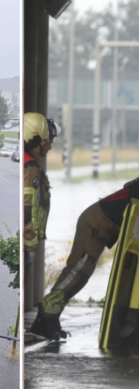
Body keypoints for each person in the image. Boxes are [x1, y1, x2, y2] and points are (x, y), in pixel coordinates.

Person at [30, 176, 139, 339]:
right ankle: (44, 317)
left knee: (82, 277)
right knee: (76, 273)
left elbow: (127, 185)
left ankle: (52, 317)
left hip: (97, 220)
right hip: (95, 224)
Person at [24, 113, 61, 271]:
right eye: (48, 141)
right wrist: (31, 246)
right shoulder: (30, 167)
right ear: (37, 140)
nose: (50, 146)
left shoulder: (28, 162)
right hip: (25, 245)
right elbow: (28, 208)